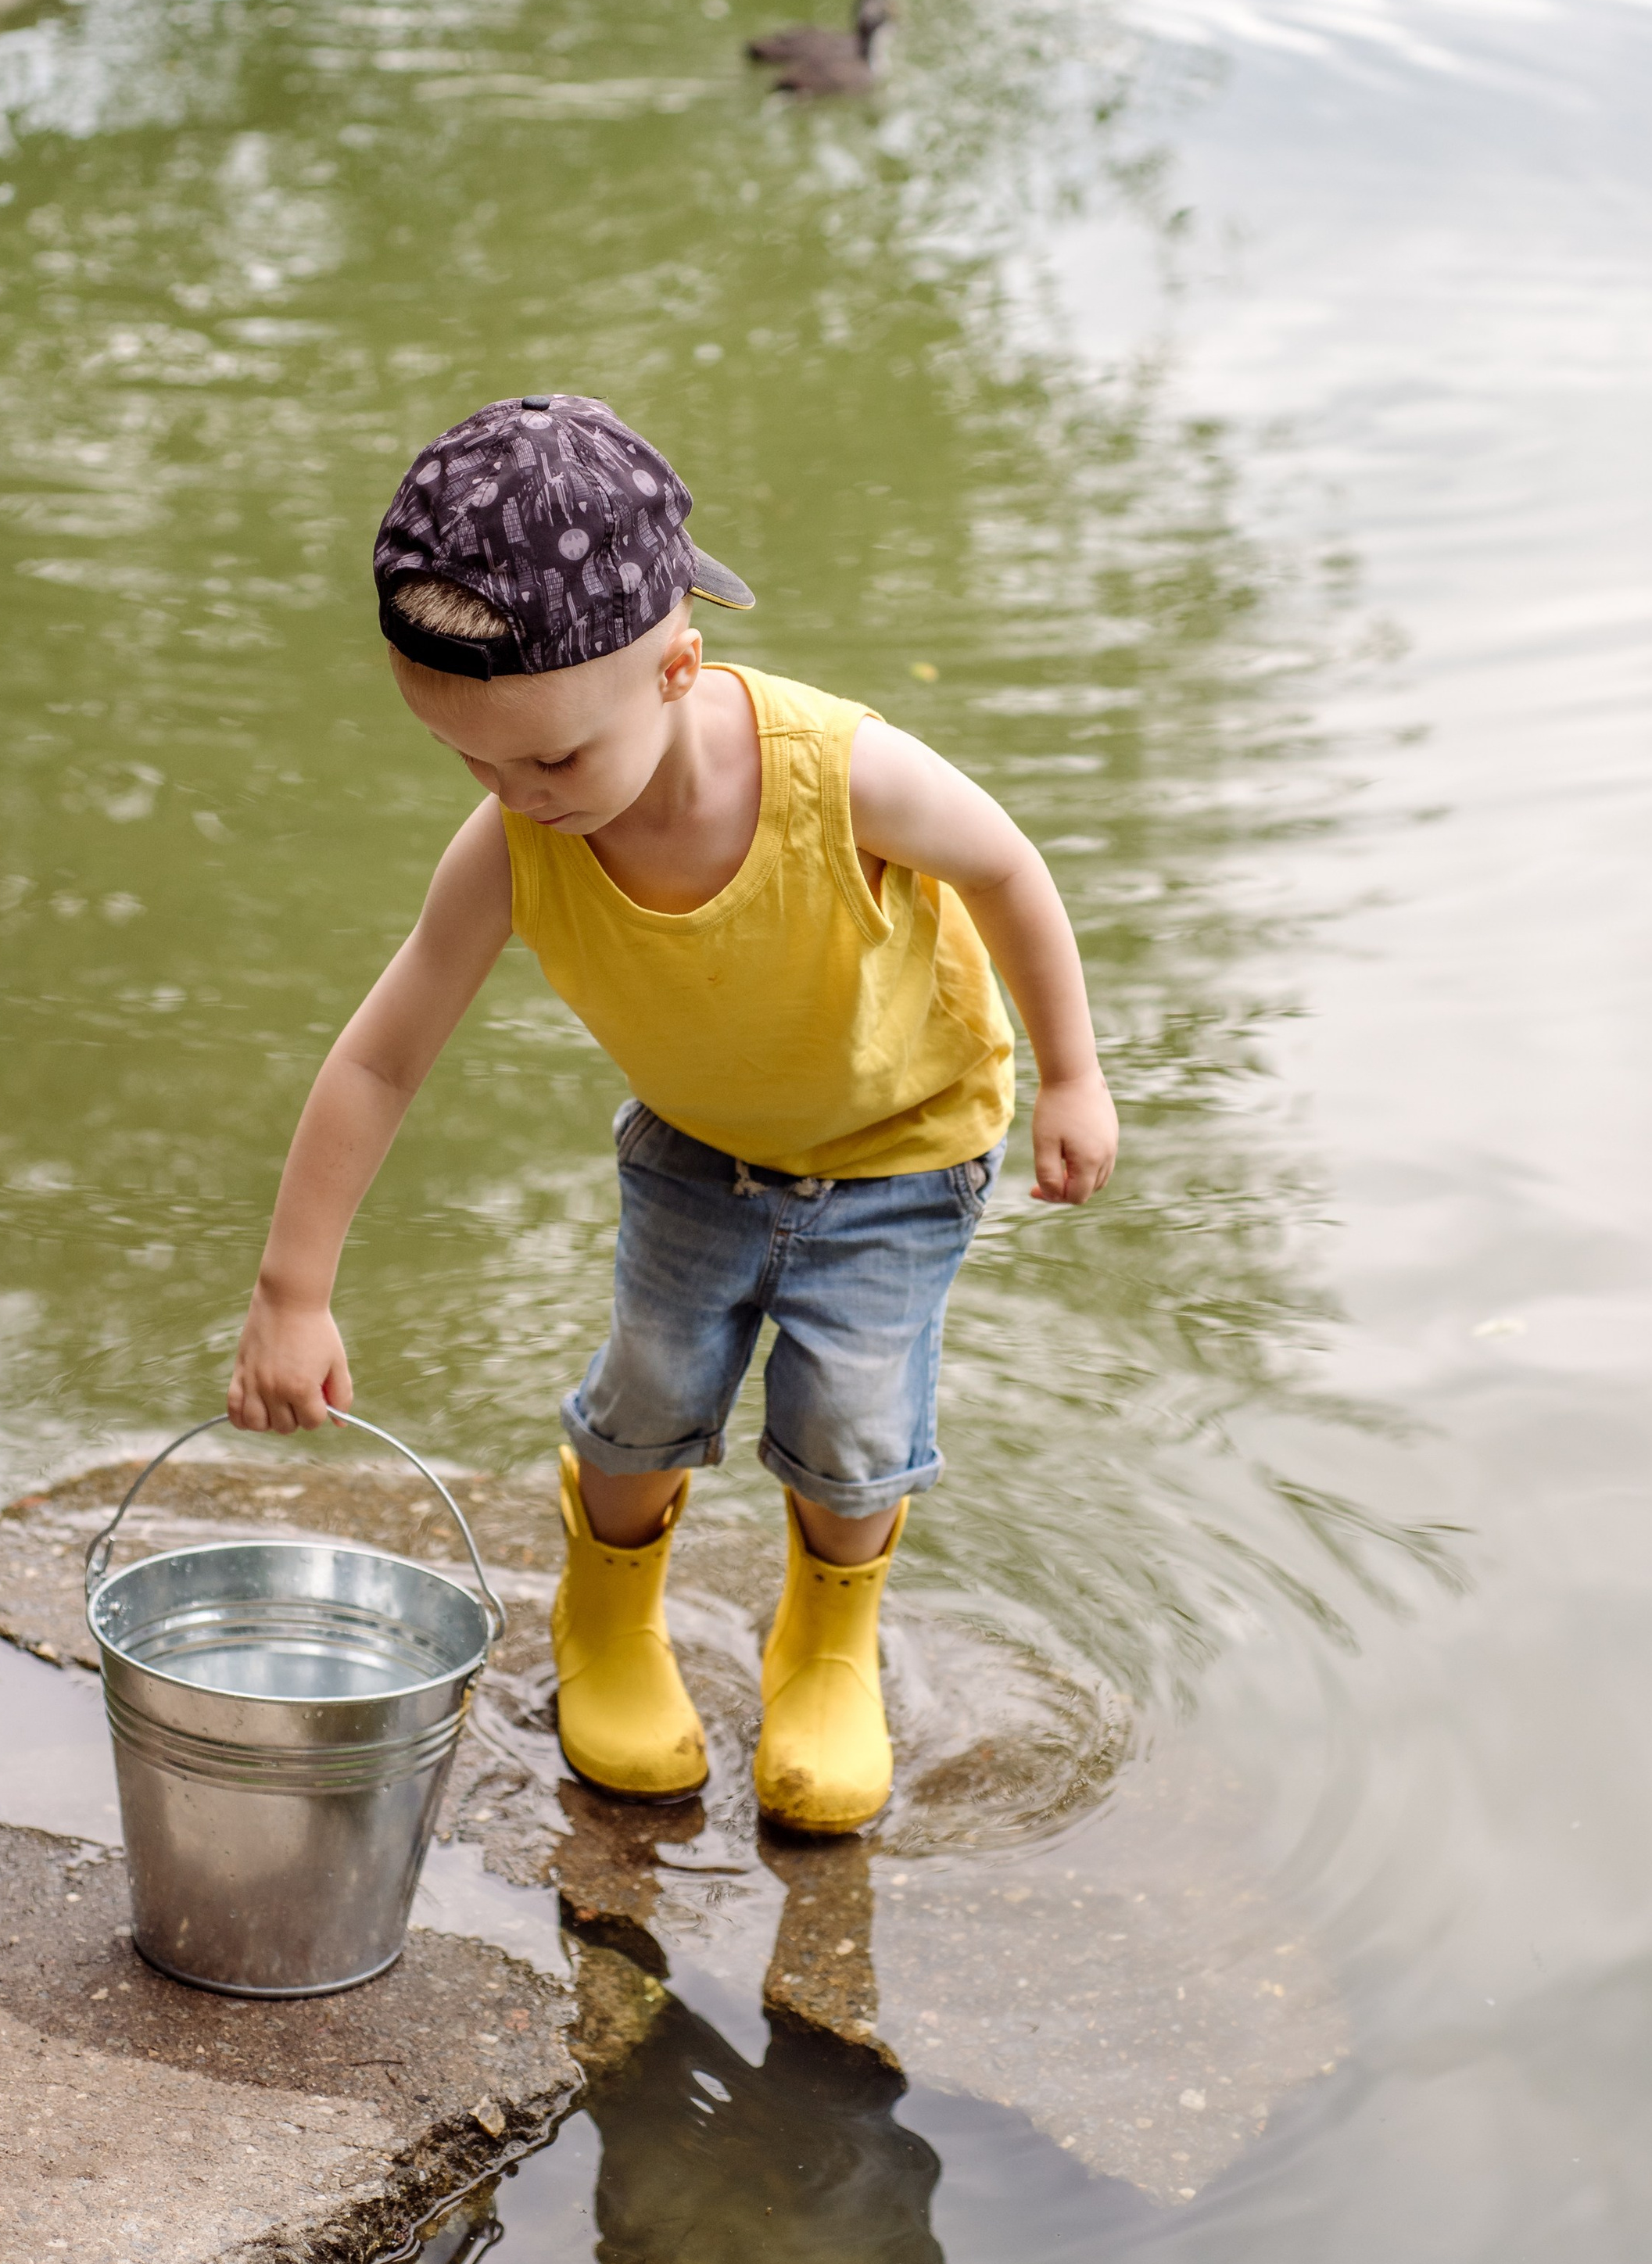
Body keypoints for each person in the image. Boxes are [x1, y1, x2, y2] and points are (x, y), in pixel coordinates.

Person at [227, 393, 1119, 1832]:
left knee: (853, 1425)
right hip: (699, 1153)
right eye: (474, 763)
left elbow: (1010, 869)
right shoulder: (519, 843)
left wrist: (1074, 1072)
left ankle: (827, 1649)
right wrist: (292, 1288)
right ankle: (610, 1621)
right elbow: (384, 1056)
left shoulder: (844, 779)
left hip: (904, 1154)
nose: (518, 795)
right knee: (648, 1394)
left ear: (676, 670)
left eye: (551, 760)